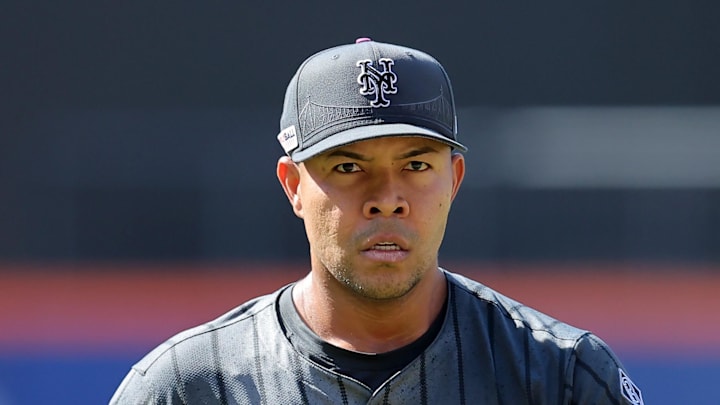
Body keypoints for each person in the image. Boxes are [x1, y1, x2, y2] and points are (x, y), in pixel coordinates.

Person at [110, 38, 643, 405]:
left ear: (453, 181)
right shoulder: (186, 385)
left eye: (415, 165)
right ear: (294, 186)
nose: (387, 198)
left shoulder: (560, 376)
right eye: (348, 166)